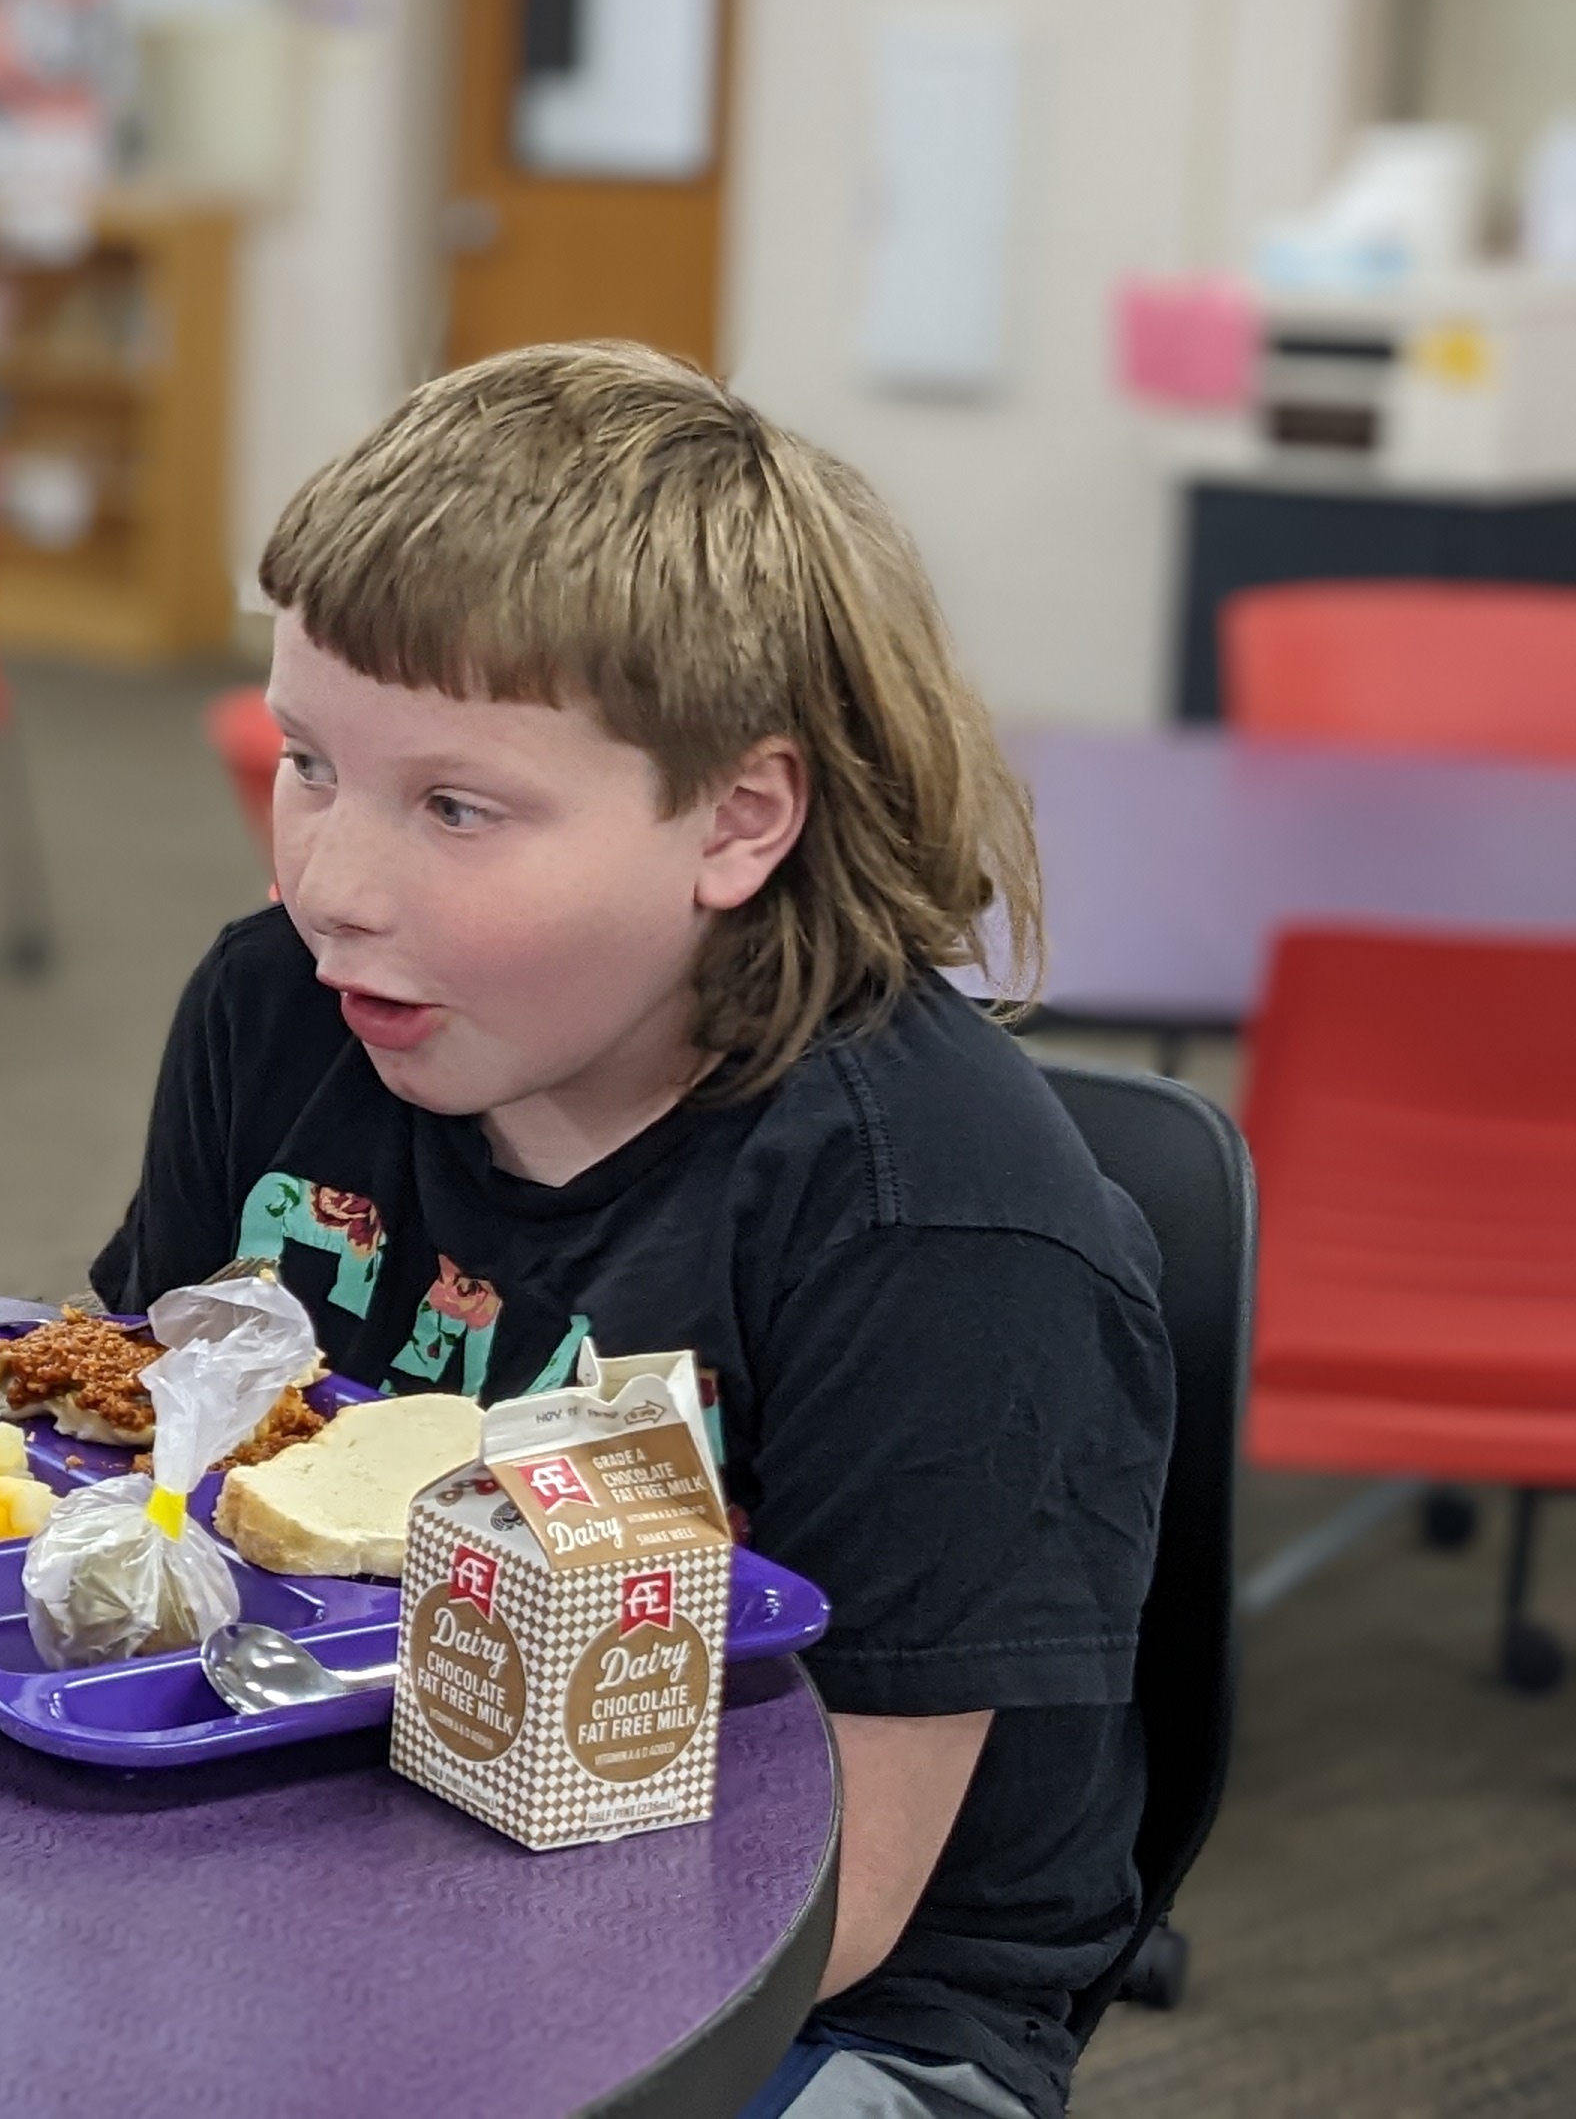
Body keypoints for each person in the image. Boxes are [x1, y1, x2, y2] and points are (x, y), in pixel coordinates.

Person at [90, 344, 1172, 2119]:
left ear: (736, 820)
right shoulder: (279, 1010)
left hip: (803, 1999)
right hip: (333, 1827)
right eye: (306, 764)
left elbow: (839, 1909)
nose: (324, 885)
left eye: (454, 806)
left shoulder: (937, 1227)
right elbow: (133, 1458)